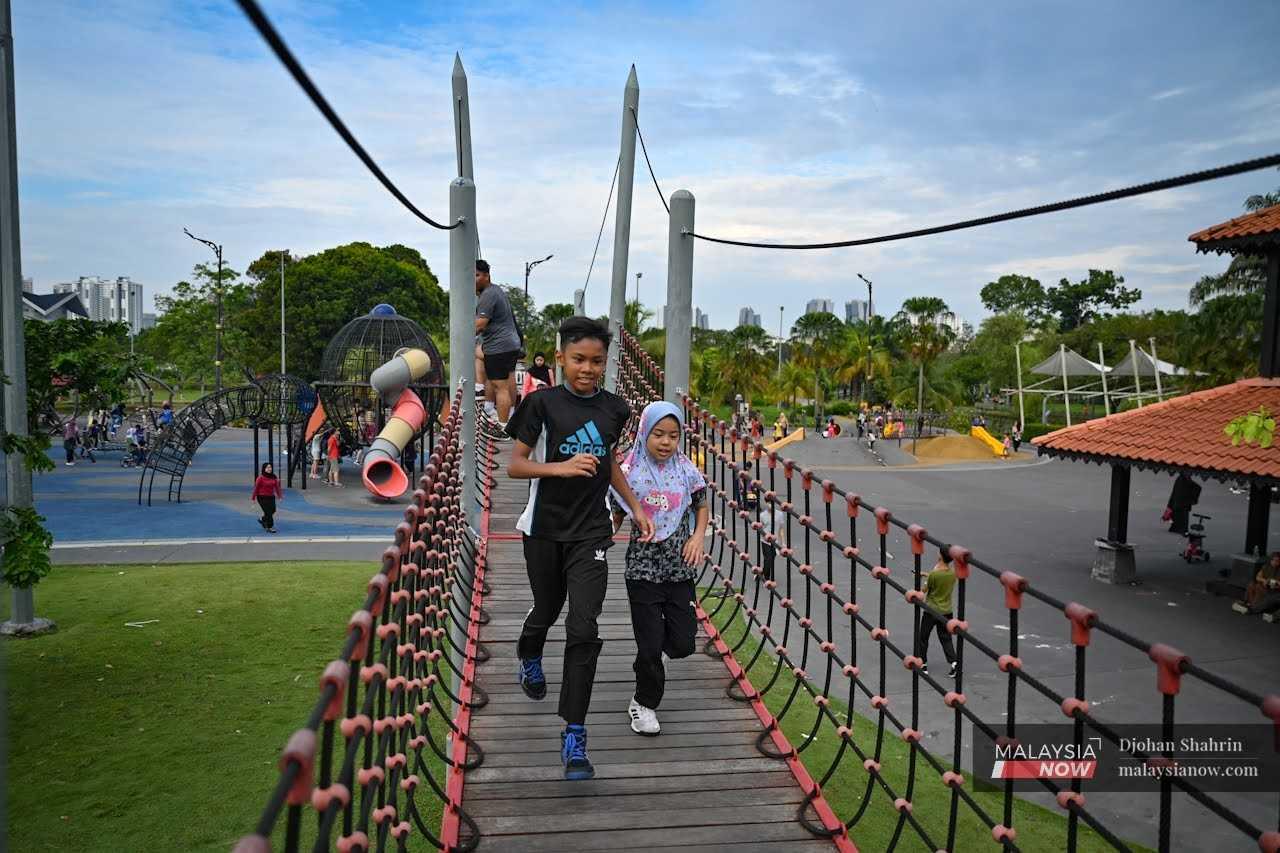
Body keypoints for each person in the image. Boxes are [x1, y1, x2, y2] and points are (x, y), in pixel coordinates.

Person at [505, 316, 654, 780]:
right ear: (562, 357)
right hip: (543, 530)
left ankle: (575, 733)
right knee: (546, 611)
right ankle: (529, 653)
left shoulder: (616, 409)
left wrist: (634, 507)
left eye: (596, 361)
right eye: (578, 360)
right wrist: (563, 468)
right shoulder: (540, 403)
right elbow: (516, 466)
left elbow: (609, 463)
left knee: (584, 627)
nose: (587, 369)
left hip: (591, 533)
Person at [610, 401, 709, 737]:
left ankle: (650, 661)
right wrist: (605, 532)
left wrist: (698, 537)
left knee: (683, 643)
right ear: (644, 434)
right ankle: (643, 703)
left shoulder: (686, 470)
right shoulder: (629, 472)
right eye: (658, 435)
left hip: (680, 570)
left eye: (673, 435)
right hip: (642, 571)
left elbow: (701, 503)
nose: (666, 442)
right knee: (650, 645)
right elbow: (617, 511)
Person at [474, 259, 524, 427]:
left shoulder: (488, 294)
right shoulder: (495, 291)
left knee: (499, 387)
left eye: (477, 275)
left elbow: (480, 324)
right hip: (510, 344)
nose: (473, 279)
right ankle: (509, 418)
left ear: (486, 276)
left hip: (499, 346)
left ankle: (502, 426)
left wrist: (461, 340)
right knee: (507, 379)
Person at [916, 547, 959, 678]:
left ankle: (923, 664)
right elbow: (941, 579)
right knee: (945, 638)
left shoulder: (935, 574)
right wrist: (928, 575)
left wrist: (927, 578)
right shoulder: (952, 573)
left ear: (940, 555)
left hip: (931, 611)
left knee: (923, 637)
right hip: (946, 611)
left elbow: (924, 590)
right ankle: (954, 662)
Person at [251, 462, 283, 533]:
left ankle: (263, 519)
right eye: (267, 467)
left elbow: (277, 488)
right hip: (262, 497)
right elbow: (256, 488)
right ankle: (270, 526)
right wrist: (253, 498)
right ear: (264, 469)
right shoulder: (260, 478)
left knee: (273, 510)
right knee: (268, 512)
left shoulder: (274, 477)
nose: (269, 469)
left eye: (270, 467)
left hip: (271, 497)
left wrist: (280, 496)